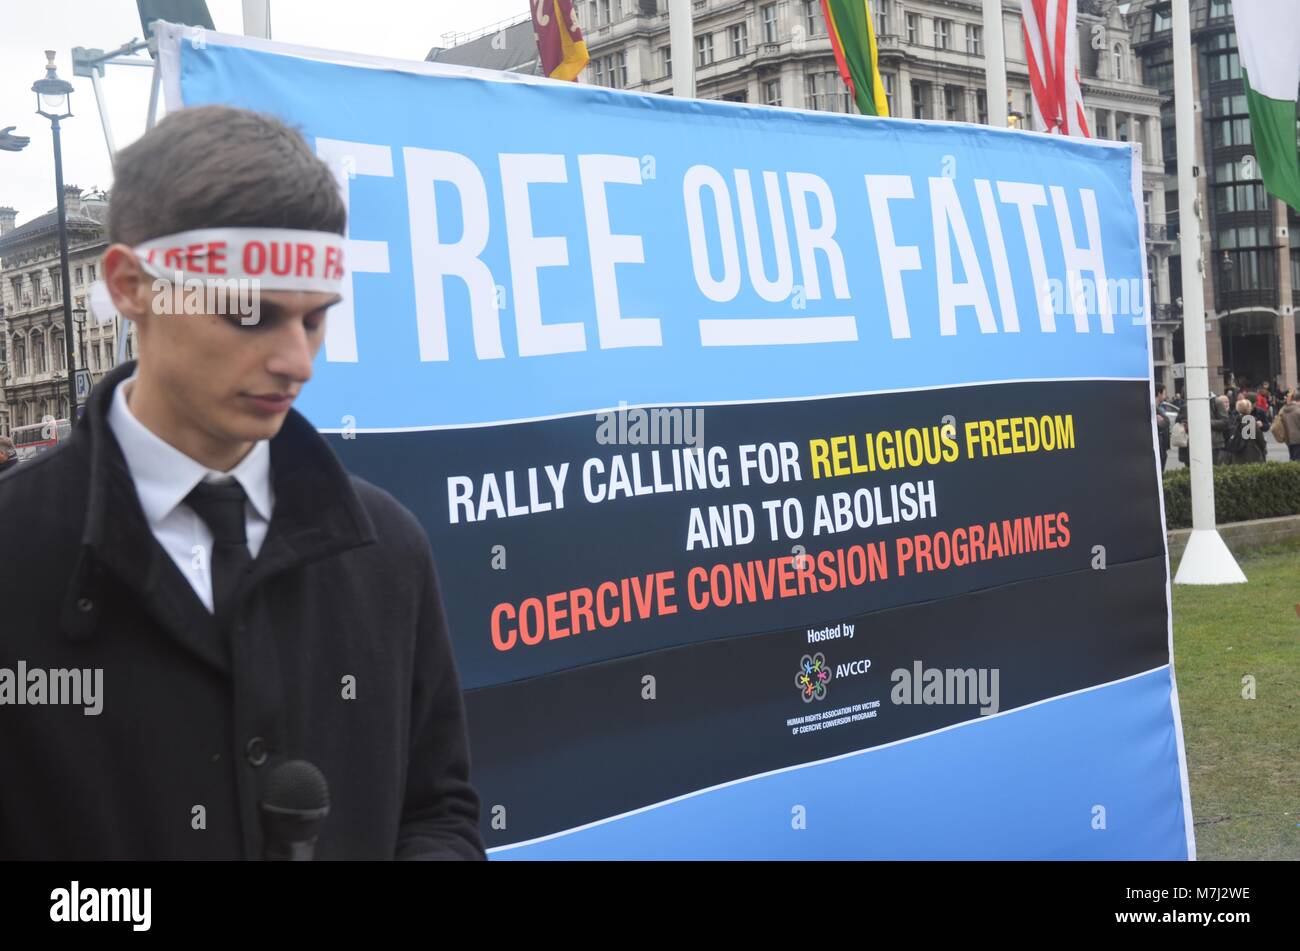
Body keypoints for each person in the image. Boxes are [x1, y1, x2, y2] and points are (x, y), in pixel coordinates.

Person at [0, 106, 483, 860]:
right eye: (250, 313)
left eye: (315, 319)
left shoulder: (388, 549)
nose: (299, 361)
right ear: (132, 286)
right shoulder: (17, 549)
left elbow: (438, 810)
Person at [1224, 396, 1267, 464]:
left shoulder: (1235, 419)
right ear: (1248, 408)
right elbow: (1259, 439)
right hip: (1251, 454)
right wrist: (1263, 447)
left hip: (1237, 453)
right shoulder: (1249, 420)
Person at [1272, 388, 1300, 461]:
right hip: (1298, 439)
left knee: (1293, 458)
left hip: (1288, 439)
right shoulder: (1298, 411)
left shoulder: (1283, 410)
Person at [1154, 384, 1170, 471]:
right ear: (1159, 394)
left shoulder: (1158, 409)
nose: (1165, 396)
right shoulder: (1153, 409)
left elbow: (1166, 421)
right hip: (1159, 448)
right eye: (1164, 393)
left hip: (1163, 448)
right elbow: (1165, 422)